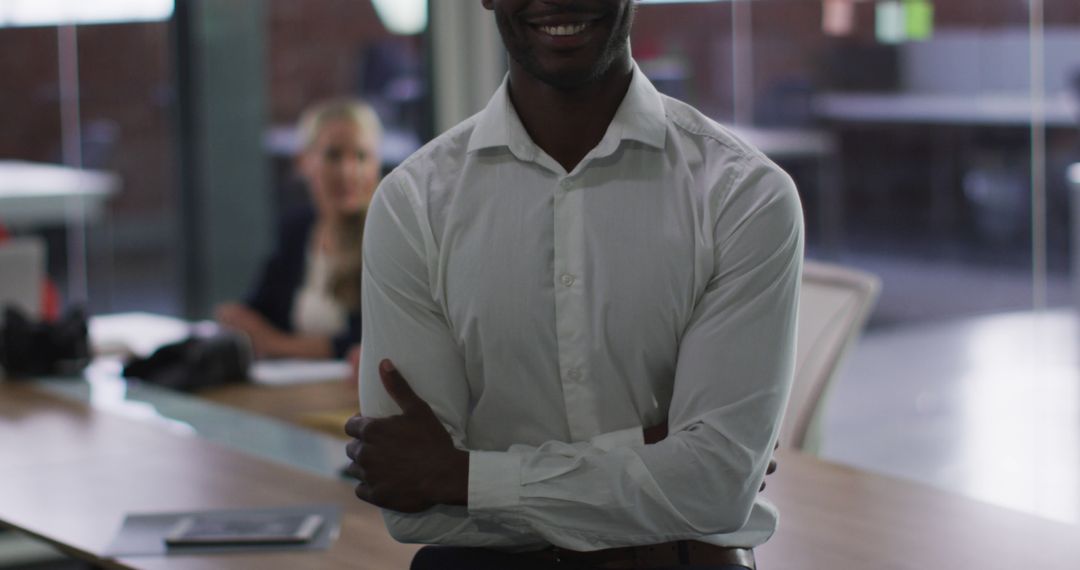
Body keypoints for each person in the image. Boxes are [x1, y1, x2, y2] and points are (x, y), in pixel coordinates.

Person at [345, 1, 804, 568]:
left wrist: (463, 477)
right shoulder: (414, 205)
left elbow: (714, 489)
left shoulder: (744, 195)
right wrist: (646, 451)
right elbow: (412, 502)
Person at [216, 99, 381, 361]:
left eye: (362, 156)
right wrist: (238, 319)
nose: (349, 171)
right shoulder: (298, 229)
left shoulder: (386, 238)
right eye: (333, 155)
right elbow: (260, 309)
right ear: (303, 162)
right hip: (298, 391)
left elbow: (367, 341)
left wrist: (275, 343)